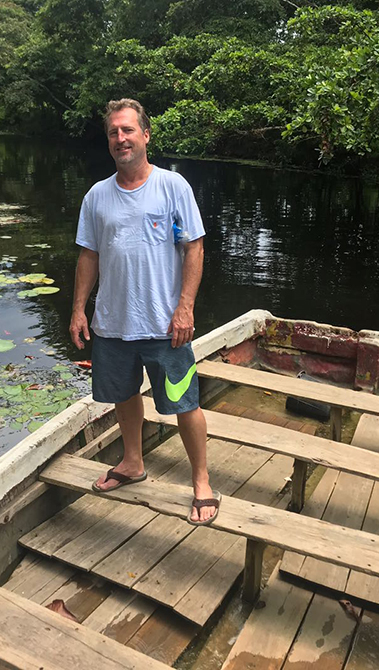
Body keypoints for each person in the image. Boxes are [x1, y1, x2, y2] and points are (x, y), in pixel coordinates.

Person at [69, 98, 220, 525]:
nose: (120, 138)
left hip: (165, 323)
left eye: (128, 130)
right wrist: (79, 310)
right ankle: (132, 462)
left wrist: (185, 308)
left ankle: (202, 481)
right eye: (114, 132)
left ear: (145, 135)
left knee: (183, 402)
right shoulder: (97, 196)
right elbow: (88, 256)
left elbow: (194, 247)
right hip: (113, 323)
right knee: (124, 395)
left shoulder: (173, 187)